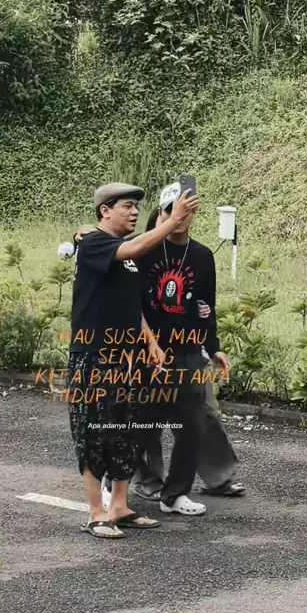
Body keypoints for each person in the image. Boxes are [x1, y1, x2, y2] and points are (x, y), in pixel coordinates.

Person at [67, 181, 199, 539]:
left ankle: (120, 507)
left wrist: (151, 342)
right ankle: (96, 513)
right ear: (104, 211)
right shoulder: (95, 243)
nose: (135, 212)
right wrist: (172, 222)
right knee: (93, 432)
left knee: (125, 432)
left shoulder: (125, 257)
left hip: (127, 357)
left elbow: (131, 305)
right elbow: (134, 247)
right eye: (126, 206)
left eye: (136, 207)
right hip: (94, 356)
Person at [131, 205, 245, 502]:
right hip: (146, 350)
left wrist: (213, 347)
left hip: (189, 349)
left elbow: (207, 307)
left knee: (204, 414)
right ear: (158, 216)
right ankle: (148, 479)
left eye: (183, 212)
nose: (177, 219)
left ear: (193, 215)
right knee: (147, 418)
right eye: (168, 213)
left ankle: (218, 477)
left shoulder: (202, 255)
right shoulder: (143, 250)